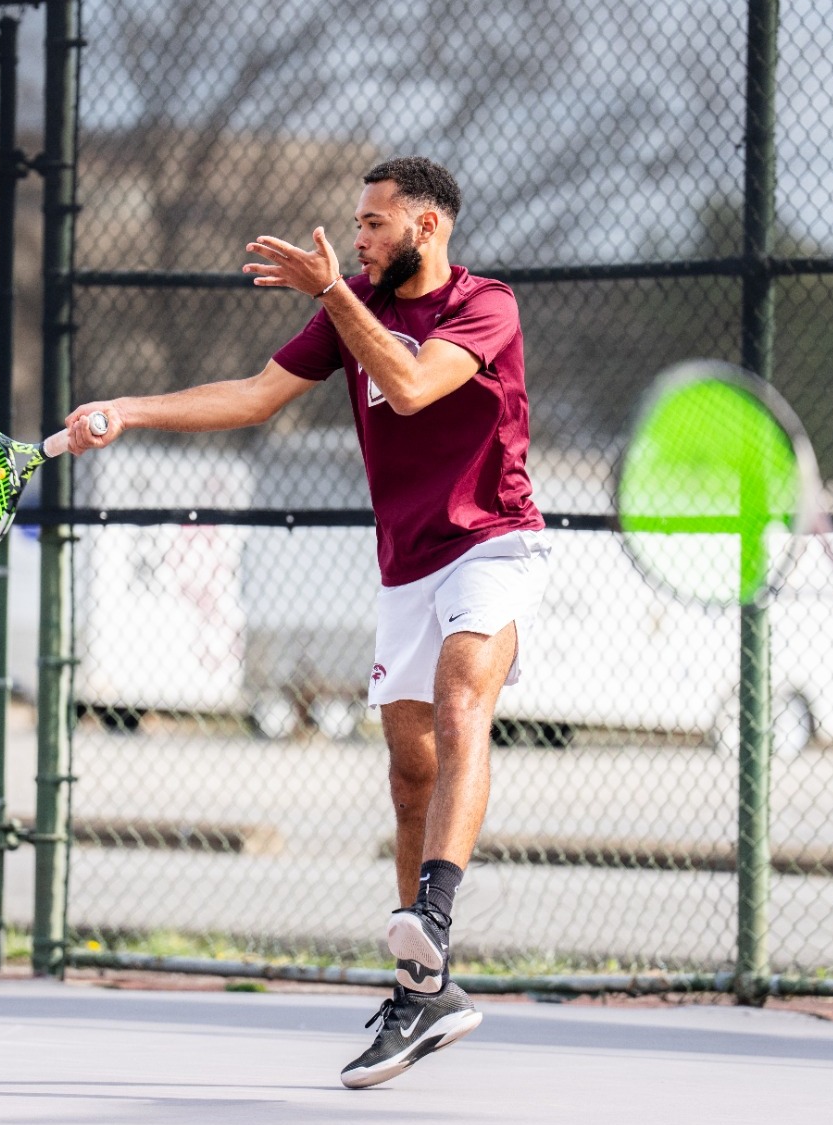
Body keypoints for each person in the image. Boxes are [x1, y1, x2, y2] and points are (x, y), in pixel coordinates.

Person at [62, 156, 547, 1089]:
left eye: (373, 224)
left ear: (427, 227)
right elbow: (253, 395)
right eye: (356, 226)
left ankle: (432, 919)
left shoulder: (486, 306)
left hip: (494, 543)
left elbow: (409, 386)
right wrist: (129, 411)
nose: (358, 237)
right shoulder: (349, 306)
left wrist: (334, 291)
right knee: (411, 772)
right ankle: (425, 992)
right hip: (406, 563)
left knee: (459, 706)